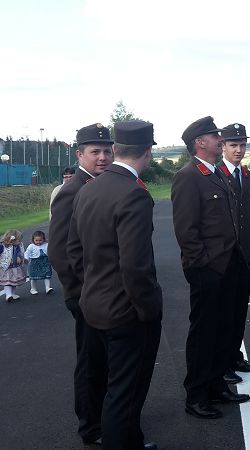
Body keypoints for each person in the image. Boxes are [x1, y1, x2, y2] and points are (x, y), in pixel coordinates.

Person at [66, 120, 162, 450]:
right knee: (124, 395)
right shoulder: (133, 195)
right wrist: (149, 309)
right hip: (125, 313)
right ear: (148, 152)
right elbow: (136, 267)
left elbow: (74, 251)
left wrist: (90, 288)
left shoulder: (88, 189)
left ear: (116, 150)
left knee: (112, 388)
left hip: (94, 307)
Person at [172, 116, 250, 419]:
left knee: (222, 330)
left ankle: (216, 385)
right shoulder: (189, 176)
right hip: (208, 270)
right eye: (214, 135)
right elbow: (186, 231)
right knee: (203, 333)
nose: (220, 139)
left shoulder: (215, 173)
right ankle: (196, 395)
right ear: (199, 143)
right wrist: (202, 265)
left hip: (228, 266)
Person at [49, 122, 112, 445]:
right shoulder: (72, 191)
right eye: (95, 152)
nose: (102, 157)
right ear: (80, 155)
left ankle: (106, 417)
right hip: (87, 297)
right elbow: (58, 252)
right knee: (91, 363)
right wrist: (80, 295)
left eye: (106, 151)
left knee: (104, 362)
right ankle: (92, 427)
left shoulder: (101, 186)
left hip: (100, 295)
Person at [217, 123, 250, 378]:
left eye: (242, 144)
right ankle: (223, 363)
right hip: (225, 257)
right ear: (222, 146)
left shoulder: (249, 177)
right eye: (233, 145)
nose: (239, 149)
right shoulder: (217, 175)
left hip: (245, 254)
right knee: (225, 313)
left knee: (240, 309)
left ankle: (235, 356)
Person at [24, 230, 53, 295]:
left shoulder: (46, 245)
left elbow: (50, 251)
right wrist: (26, 258)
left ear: (43, 239)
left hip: (45, 262)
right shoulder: (31, 246)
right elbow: (27, 253)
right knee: (33, 276)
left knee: (47, 275)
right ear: (33, 240)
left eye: (40, 240)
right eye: (36, 240)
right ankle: (33, 289)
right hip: (34, 263)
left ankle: (47, 287)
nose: (38, 242)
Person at [1, 229, 25, 302]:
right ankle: (8, 295)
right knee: (8, 282)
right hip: (6, 268)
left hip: (15, 267)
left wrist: (18, 257)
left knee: (14, 282)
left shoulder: (16, 246)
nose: (20, 242)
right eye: (19, 240)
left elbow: (19, 252)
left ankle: (13, 294)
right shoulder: (2, 246)